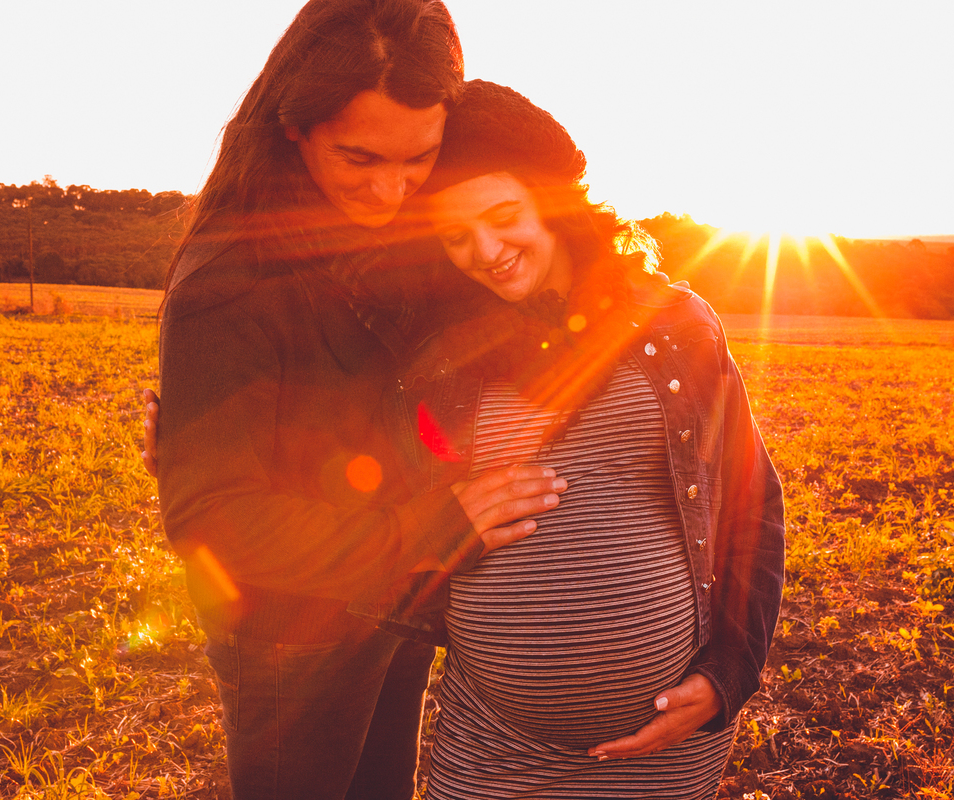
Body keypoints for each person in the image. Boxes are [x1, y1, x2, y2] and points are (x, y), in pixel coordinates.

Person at [151, 4, 566, 798]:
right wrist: (435, 529)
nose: (390, 188)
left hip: (391, 605)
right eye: (360, 158)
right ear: (294, 127)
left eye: (419, 158)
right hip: (293, 638)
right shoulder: (229, 283)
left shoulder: (405, 232)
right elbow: (213, 519)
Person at [368, 80, 787, 798]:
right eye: (457, 236)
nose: (487, 251)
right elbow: (344, 490)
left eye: (503, 217)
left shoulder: (674, 325)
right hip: (492, 745)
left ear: (552, 200)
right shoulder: (431, 355)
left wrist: (728, 677)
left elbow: (752, 504)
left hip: (665, 743)